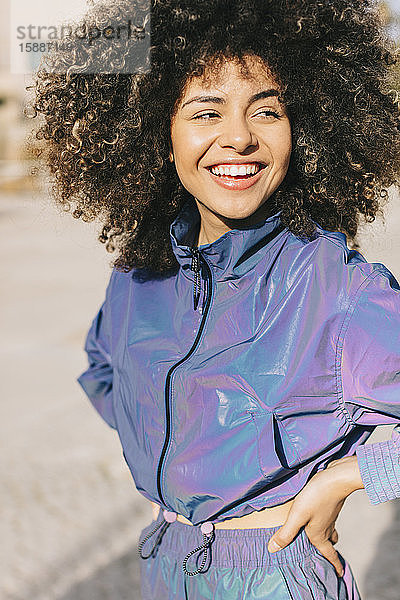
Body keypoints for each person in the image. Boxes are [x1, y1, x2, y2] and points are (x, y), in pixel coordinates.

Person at [30, 0, 400, 597]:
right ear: (156, 130)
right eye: (206, 111)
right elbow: (105, 373)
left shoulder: (340, 290)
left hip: (273, 571)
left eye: (267, 111)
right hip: (164, 563)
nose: (239, 138)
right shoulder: (136, 280)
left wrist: (347, 476)